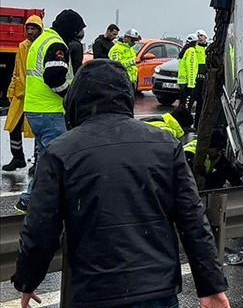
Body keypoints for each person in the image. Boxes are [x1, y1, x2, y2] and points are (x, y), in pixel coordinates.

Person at [10, 60, 231, 308]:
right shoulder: (165, 145)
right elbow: (192, 220)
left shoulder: (60, 152)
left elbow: (41, 228)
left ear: (75, 101)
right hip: (157, 291)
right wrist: (211, 286)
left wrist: (27, 281)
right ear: (126, 96)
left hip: (95, 291)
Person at [15, 9, 85, 214]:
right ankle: (63, 204)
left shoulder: (42, 40)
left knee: (47, 158)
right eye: (77, 31)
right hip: (50, 111)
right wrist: (70, 97)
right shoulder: (55, 44)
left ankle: (29, 200)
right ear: (70, 29)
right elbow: (54, 77)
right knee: (63, 159)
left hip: (36, 109)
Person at [2, 15, 43, 172]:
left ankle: (38, 160)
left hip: (36, 95)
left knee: (37, 129)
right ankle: (18, 157)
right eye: (28, 28)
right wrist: (12, 89)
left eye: (34, 28)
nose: (30, 31)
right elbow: (16, 71)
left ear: (40, 30)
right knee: (13, 125)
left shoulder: (42, 46)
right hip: (21, 94)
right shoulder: (22, 46)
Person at [193, 29, 209, 128]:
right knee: (197, 102)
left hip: (206, 80)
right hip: (197, 80)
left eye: (201, 36)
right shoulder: (195, 48)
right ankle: (196, 124)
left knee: (203, 103)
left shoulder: (209, 49)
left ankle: (201, 124)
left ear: (205, 37)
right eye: (198, 36)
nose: (200, 38)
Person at [178, 33, 199, 109]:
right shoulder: (191, 51)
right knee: (187, 106)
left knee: (182, 104)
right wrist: (191, 83)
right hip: (187, 82)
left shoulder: (184, 51)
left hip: (182, 81)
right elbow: (191, 67)